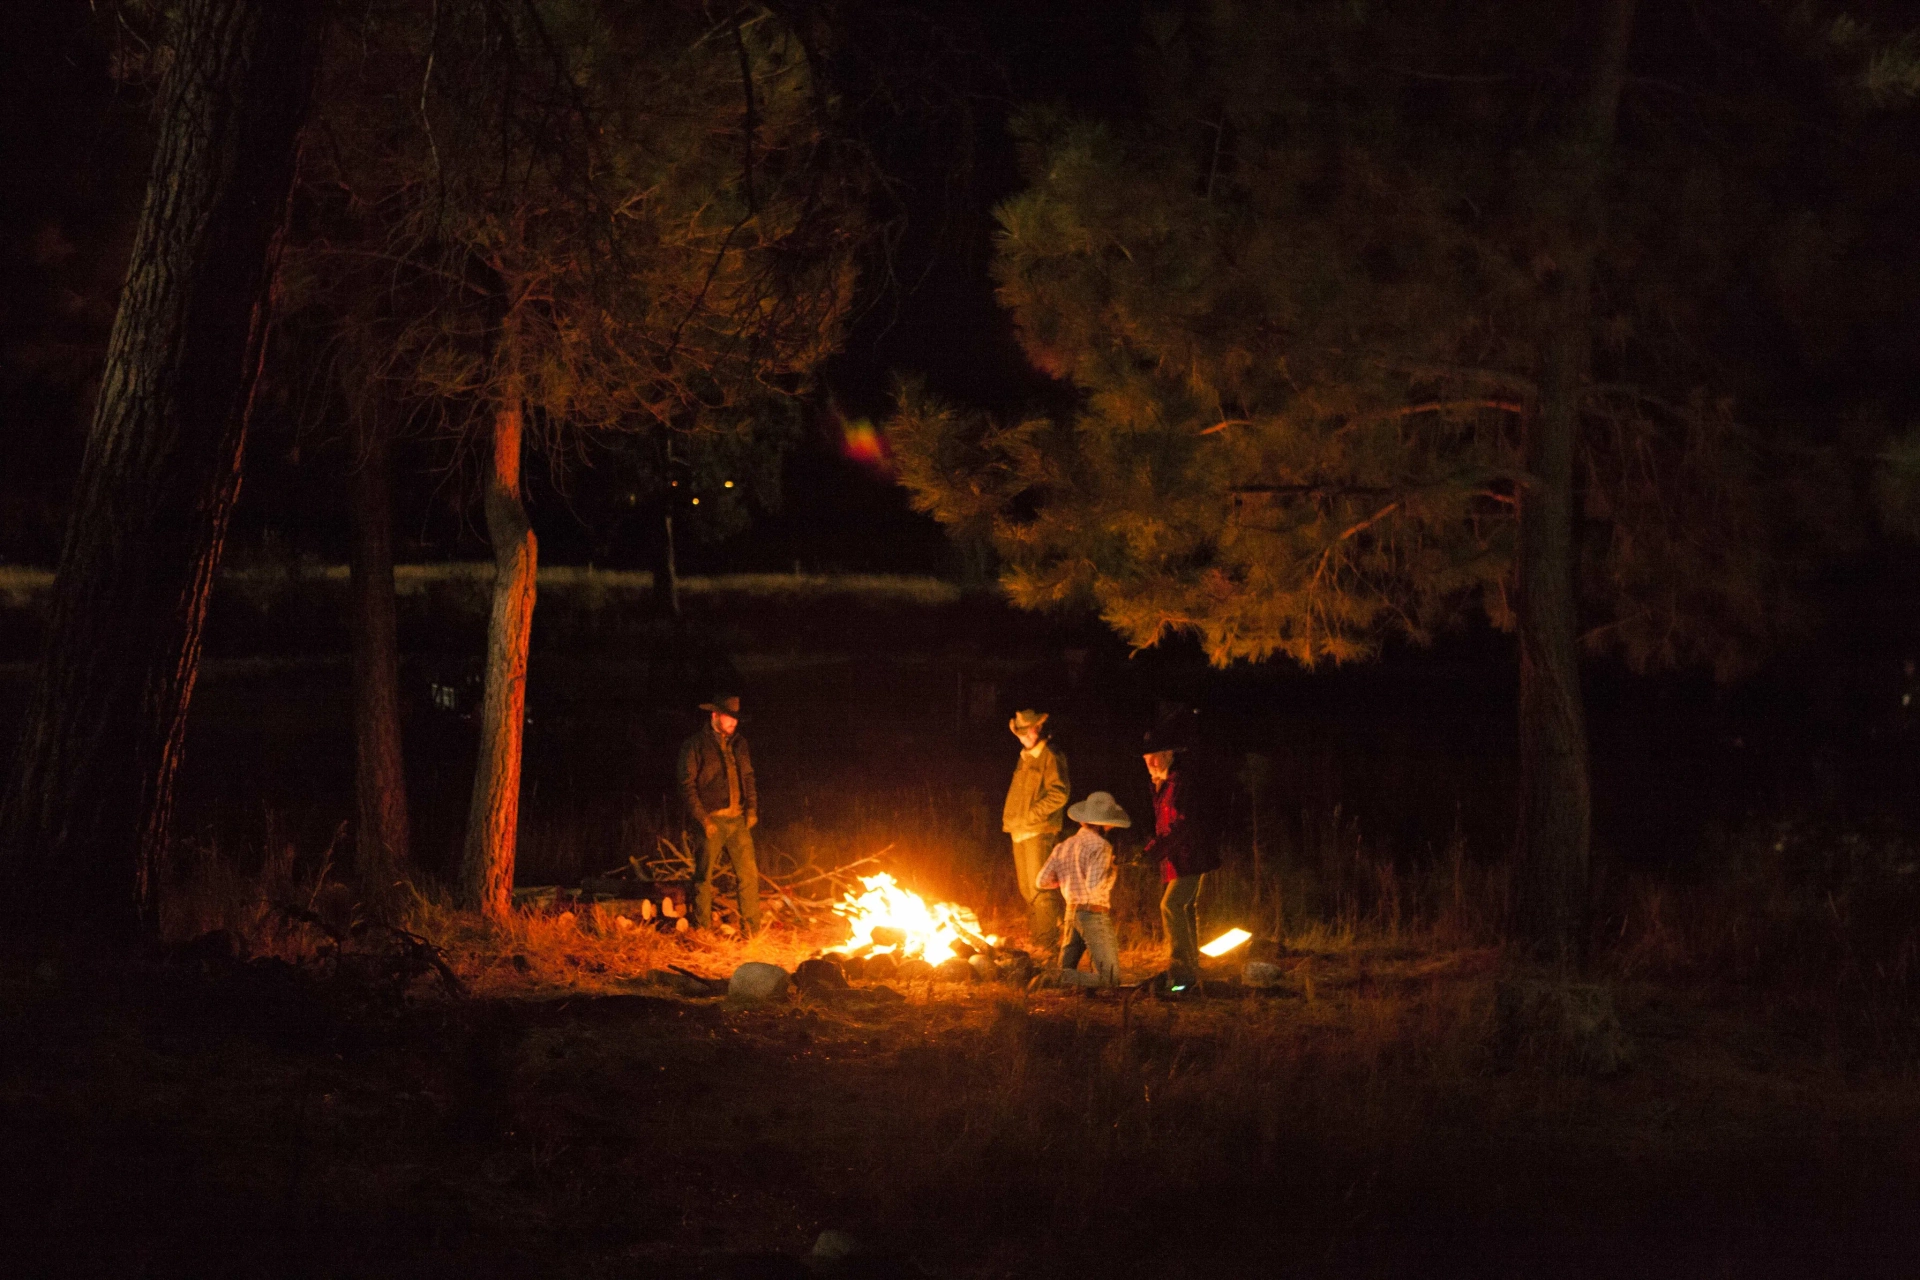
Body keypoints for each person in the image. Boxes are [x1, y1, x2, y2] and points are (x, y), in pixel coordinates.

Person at [677, 694, 762, 937]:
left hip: (738, 820)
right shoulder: (695, 745)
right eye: (729, 717)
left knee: (748, 875)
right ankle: (702, 931)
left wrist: (752, 809)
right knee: (703, 878)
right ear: (715, 715)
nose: (734, 722)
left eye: (736, 718)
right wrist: (702, 818)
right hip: (712, 820)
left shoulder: (739, 743)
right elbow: (687, 785)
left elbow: (748, 777)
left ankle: (752, 933)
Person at [1144, 725, 1218, 987]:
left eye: (1154, 756)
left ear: (1168, 754)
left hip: (1190, 855)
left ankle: (1180, 967)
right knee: (1185, 907)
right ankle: (1190, 965)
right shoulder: (1164, 783)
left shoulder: (1181, 783)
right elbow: (1163, 825)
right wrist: (1155, 850)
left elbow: (1181, 825)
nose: (1149, 762)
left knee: (1171, 905)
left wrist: (1153, 851)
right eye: (1146, 758)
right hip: (1178, 857)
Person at [1035, 791, 1131, 986]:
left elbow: (1041, 881)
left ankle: (1057, 977)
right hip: (1093, 914)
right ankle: (1054, 977)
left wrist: (1062, 881)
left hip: (1071, 912)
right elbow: (1094, 886)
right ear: (1103, 824)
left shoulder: (1063, 846)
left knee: (1066, 968)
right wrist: (1112, 872)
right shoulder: (1101, 847)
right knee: (1109, 979)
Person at [1003, 708, 1070, 957]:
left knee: (1040, 888)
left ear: (1037, 729)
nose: (1022, 737)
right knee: (1027, 890)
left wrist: (1031, 816)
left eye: (1025, 731)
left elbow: (1059, 793)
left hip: (1039, 831)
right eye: (1019, 733)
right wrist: (1015, 821)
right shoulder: (1025, 757)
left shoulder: (1051, 756)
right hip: (1019, 831)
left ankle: (1047, 945)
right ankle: (1047, 936)